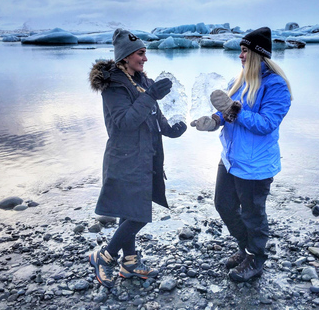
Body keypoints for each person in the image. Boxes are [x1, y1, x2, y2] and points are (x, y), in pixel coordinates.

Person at [88, 28, 187, 288]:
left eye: (145, 53)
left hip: (146, 157)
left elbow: (152, 115)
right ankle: (105, 256)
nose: (145, 59)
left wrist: (171, 129)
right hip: (125, 159)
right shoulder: (113, 85)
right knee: (139, 214)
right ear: (127, 56)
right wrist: (152, 95)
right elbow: (124, 123)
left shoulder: (142, 80)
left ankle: (129, 262)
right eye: (141, 53)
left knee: (129, 210)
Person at [191, 27, 292, 282]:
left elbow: (267, 123)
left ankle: (255, 259)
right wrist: (214, 120)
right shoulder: (238, 82)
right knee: (223, 204)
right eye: (240, 51)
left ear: (258, 54)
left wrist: (233, 111)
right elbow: (228, 114)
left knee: (252, 214)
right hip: (231, 158)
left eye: (245, 51)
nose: (241, 56)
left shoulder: (276, 86)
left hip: (256, 165)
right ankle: (245, 248)